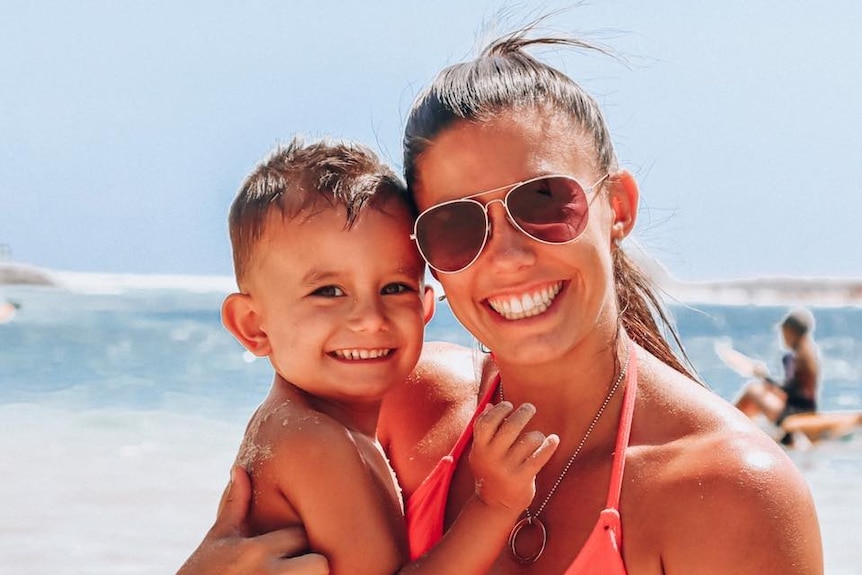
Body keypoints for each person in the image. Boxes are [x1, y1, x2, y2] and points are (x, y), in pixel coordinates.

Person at [181, 23, 823, 575]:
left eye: (544, 203)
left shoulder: (728, 491)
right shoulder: (406, 404)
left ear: (618, 206)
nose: (509, 257)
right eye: (457, 226)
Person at [178, 138, 559, 575]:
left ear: (424, 309)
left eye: (394, 288)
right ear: (253, 326)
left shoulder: (296, 422)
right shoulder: (316, 444)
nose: (369, 318)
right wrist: (494, 502)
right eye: (328, 291)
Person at [734, 308, 821, 444]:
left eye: (784, 332)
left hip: (795, 411)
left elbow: (792, 392)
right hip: (804, 407)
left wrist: (765, 377)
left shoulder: (799, 357)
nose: (782, 336)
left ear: (791, 331)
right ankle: (741, 425)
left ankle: (732, 424)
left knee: (754, 390)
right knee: (760, 390)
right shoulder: (808, 353)